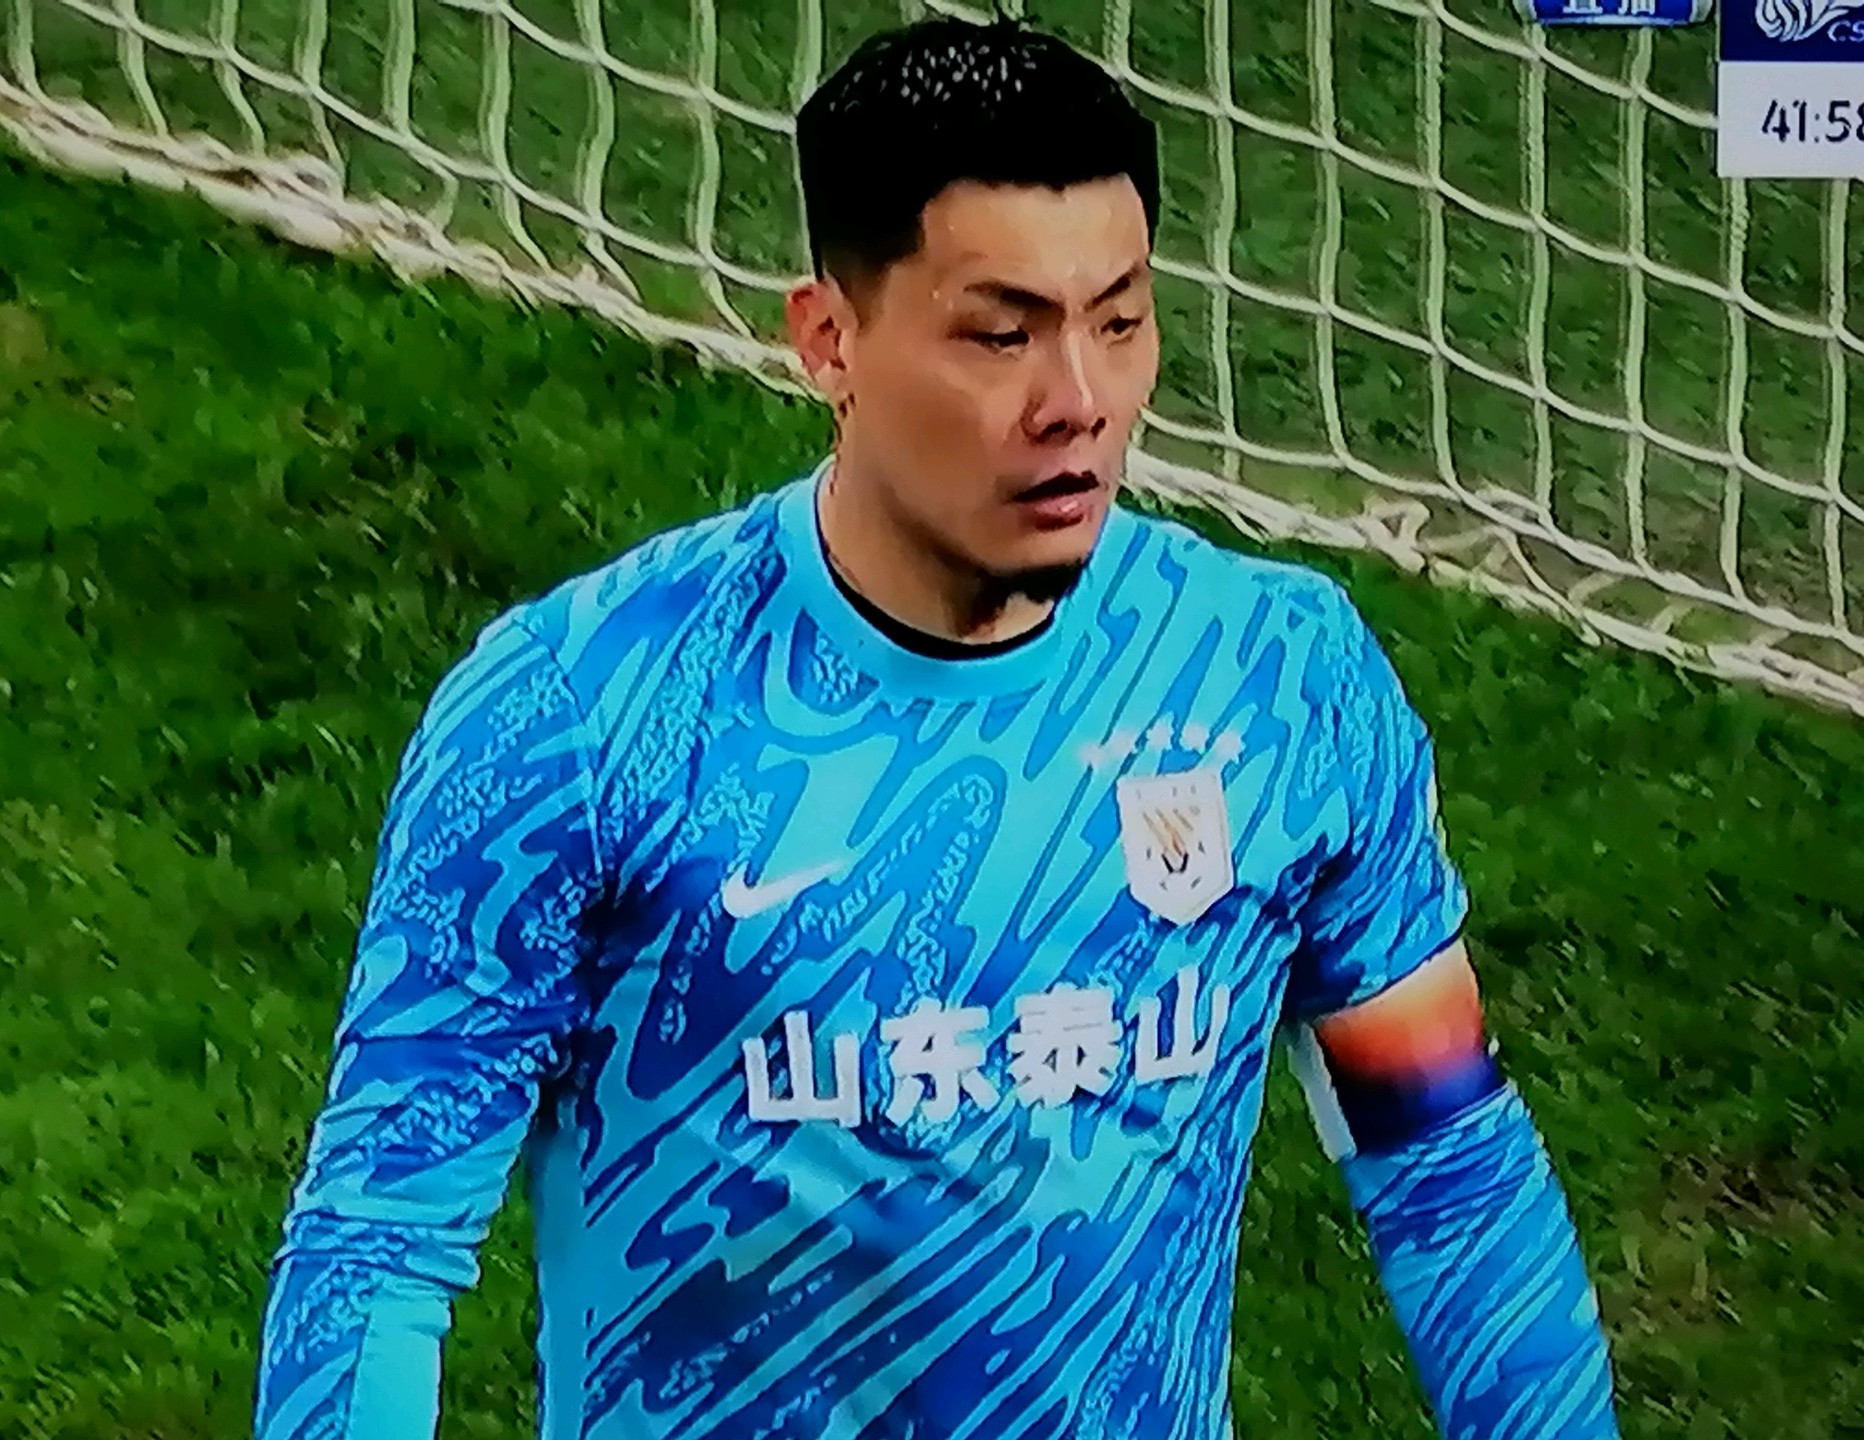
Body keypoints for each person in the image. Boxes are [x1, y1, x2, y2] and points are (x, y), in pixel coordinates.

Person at [252, 16, 1620, 1439]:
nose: (1076, 403)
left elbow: (1446, 1161)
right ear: (828, 339)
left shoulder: (1275, 680)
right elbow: (379, 1243)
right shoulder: (582, 715)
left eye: (1119, 321)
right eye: (1002, 335)